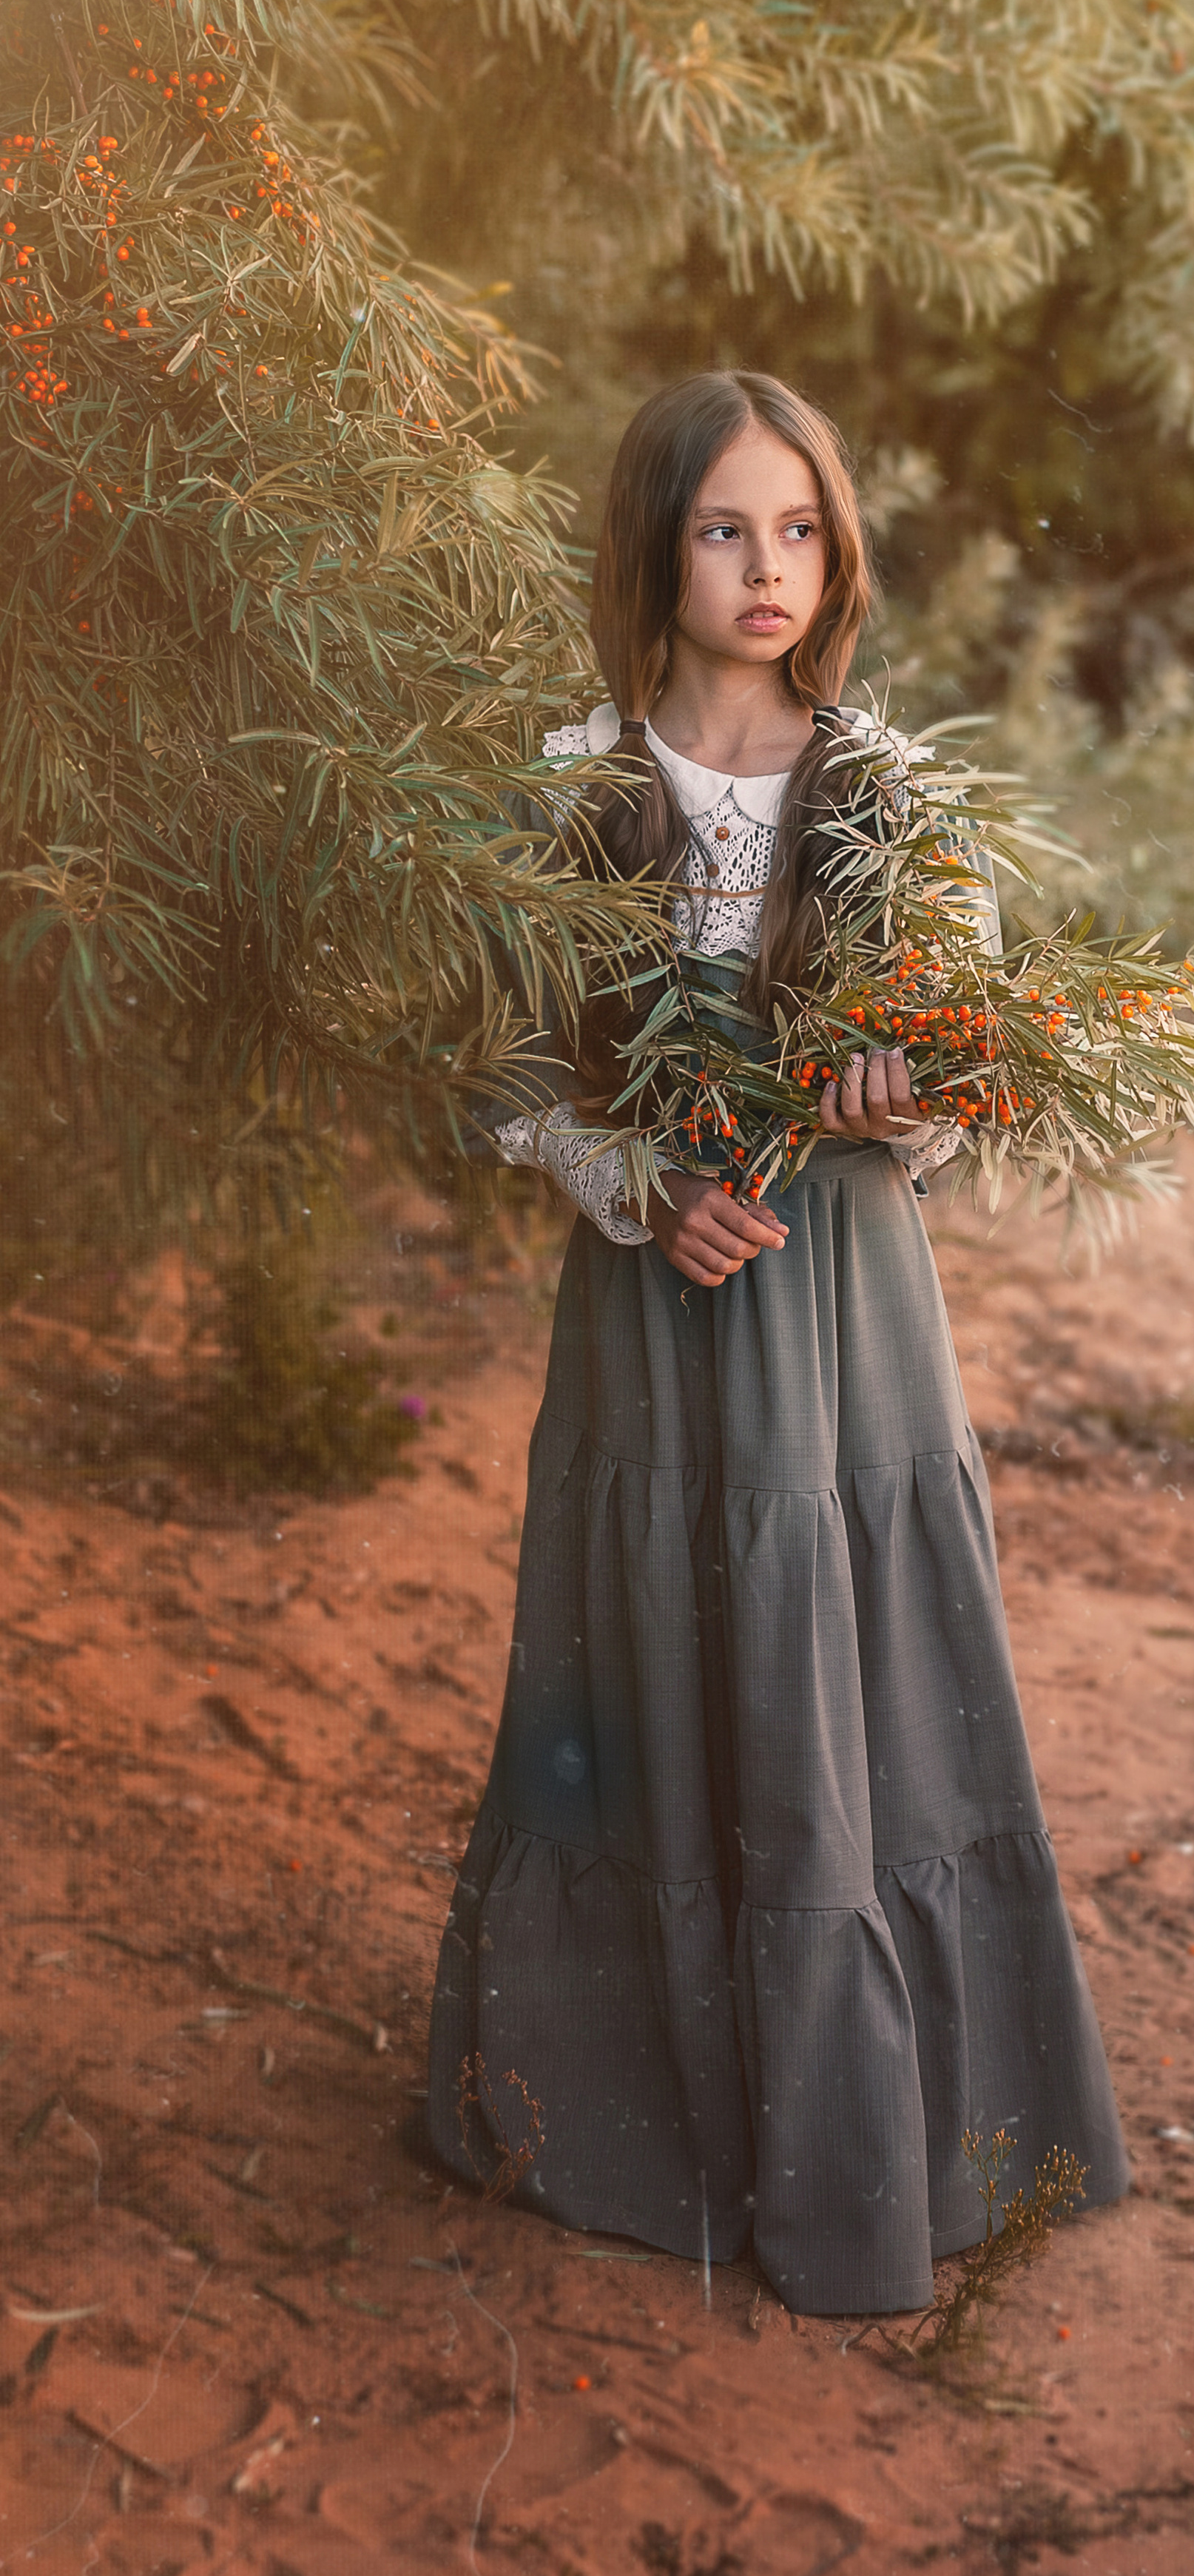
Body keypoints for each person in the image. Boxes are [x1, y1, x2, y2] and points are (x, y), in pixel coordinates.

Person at [423, 369, 1128, 2318]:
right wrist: (634, 1181)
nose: (768, 567)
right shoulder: (575, 785)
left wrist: (901, 1090)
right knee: (652, 1644)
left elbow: (963, 1066)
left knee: (852, 1655)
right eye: (727, 527)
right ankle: (633, 2122)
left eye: (801, 529)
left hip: (841, 1302)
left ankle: (889, 2131)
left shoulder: (891, 792)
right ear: (657, 544)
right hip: (654, 1302)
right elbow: (499, 1064)